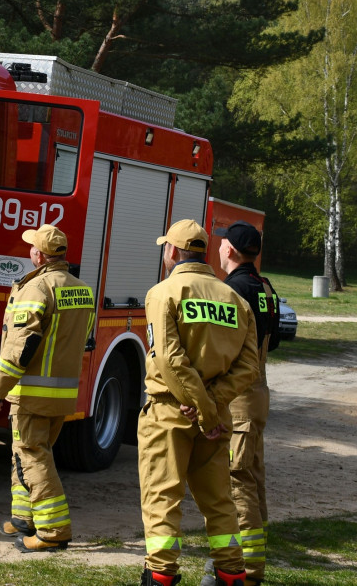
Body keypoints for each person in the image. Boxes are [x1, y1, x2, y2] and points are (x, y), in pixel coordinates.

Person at [137, 219, 259, 586]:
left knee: (162, 499)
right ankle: (231, 574)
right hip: (217, 418)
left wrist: (202, 407)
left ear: (173, 252)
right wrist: (212, 405)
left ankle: (160, 576)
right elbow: (249, 366)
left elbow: (169, 360)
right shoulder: (234, 299)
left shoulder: (163, 292)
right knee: (220, 501)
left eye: (166, 248)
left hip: (169, 411)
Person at [0, 224, 95, 553]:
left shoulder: (36, 289)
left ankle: (52, 531)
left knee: (32, 458)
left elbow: (20, 346)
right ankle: (24, 518)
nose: (30, 251)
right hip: (61, 394)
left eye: (32, 247)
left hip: (32, 394)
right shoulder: (82, 290)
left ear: (39, 255)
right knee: (28, 454)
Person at [208, 221, 280, 586]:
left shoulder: (232, 290)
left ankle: (245, 570)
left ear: (231, 250)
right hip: (258, 392)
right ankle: (252, 559)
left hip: (238, 396)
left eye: (222, 244)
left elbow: (223, 348)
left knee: (237, 479)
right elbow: (274, 340)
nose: (219, 248)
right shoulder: (265, 287)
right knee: (252, 476)